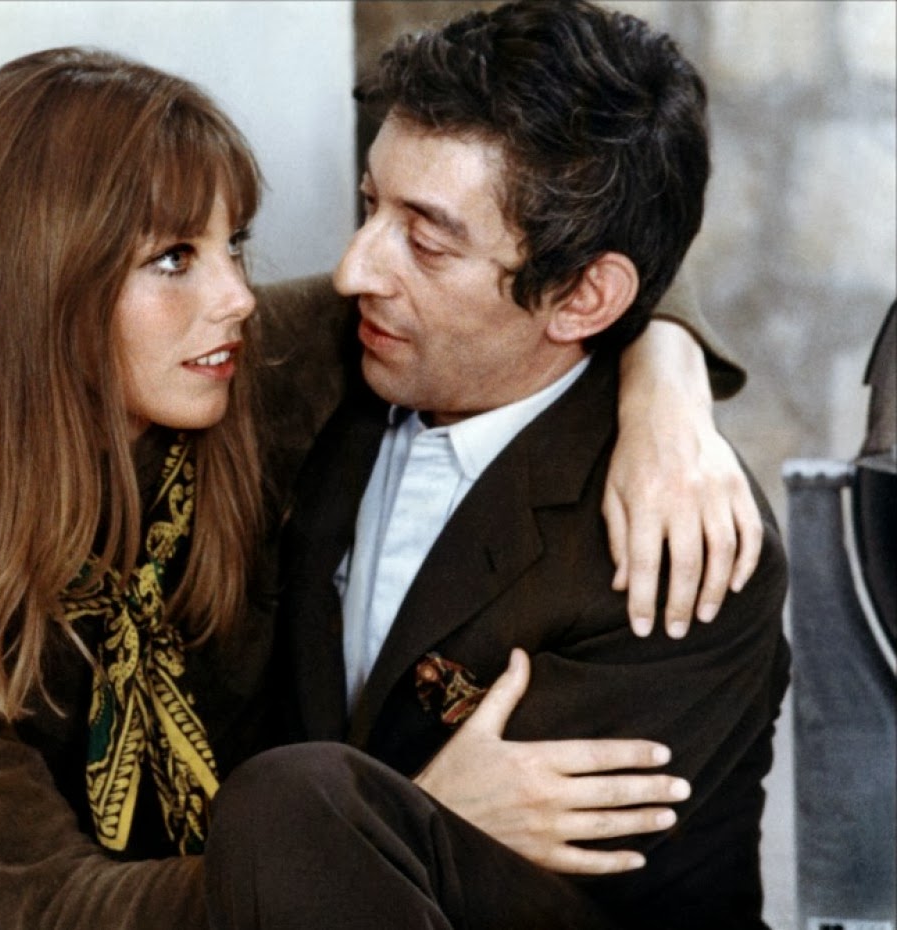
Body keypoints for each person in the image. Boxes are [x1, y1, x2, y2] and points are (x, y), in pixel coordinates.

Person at [0, 37, 756, 930]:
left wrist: (667, 381)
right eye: (174, 257)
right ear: (42, 278)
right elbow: (54, 903)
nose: (241, 296)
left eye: (234, 244)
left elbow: (569, 269)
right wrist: (406, 822)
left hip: (175, 883)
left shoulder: (256, 372)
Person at [203, 3, 788, 929]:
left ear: (584, 297)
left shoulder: (683, 542)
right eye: (370, 207)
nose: (356, 270)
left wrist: (362, 818)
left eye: (427, 241)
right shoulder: (321, 376)